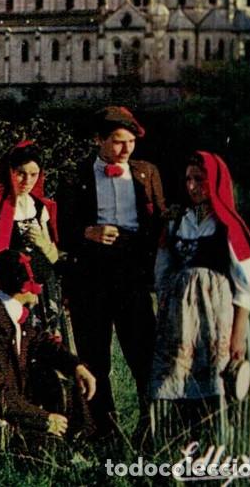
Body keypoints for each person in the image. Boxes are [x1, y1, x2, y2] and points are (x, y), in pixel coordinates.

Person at [56, 105, 166, 440]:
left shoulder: (147, 171)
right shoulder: (76, 174)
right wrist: (86, 233)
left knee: (143, 353)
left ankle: (151, 429)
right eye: (118, 142)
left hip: (131, 272)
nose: (126, 149)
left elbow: (159, 221)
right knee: (93, 357)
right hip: (90, 273)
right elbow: (61, 227)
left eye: (131, 141)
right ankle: (103, 431)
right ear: (98, 140)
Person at [149, 151, 250, 455]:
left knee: (218, 383)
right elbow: (162, 267)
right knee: (179, 379)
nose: (192, 185)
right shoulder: (179, 221)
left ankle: (222, 450)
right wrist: (165, 301)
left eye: (199, 179)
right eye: (188, 179)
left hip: (218, 317)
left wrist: (238, 332)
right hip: (180, 317)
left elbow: (244, 283)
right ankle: (179, 447)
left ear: (214, 181)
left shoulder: (228, 225)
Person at [0, 250, 97, 451]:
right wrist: (43, 419)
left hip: (5, 401)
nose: (43, 289)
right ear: (25, 286)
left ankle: (83, 442)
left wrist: (77, 366)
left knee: (59, 382)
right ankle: (65, 452)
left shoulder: (11, 308)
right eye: (40, 282)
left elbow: (41, 344)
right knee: (46, 449)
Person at [0, 140, 69, 341]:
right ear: (10, 172)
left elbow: (54, 257)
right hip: (16, 292)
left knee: (51, 346)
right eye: (21, 173)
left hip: (45, 290)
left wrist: (42, 242)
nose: (27, 181)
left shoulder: (41, 207)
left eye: (33, 175)